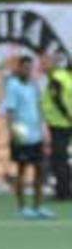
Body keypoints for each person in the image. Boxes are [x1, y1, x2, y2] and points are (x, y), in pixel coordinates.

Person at [3, 54, 52, 218]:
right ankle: (22, 208)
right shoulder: (13, 85)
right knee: (22, 171)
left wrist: (44, 130)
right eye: (25, 67)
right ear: (19, 68)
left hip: (36, 134)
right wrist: (13, 132)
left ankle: (38, 207)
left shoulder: (34, 86)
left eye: (30, 67)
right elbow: (9, 111)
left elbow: (39, 109)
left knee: (41, 170)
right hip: (21, 134)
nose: (28, 70)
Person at [42, 52, 72, 202]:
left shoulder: (57, 78)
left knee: (59, 159)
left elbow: (57, 99)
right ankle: (64, 189)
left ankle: (63, 192)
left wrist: (67, 114)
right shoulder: (68, 78)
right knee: (63, 158)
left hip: (59, 123)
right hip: (65, 123)